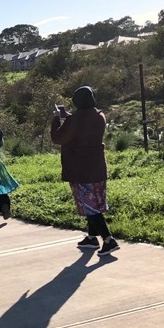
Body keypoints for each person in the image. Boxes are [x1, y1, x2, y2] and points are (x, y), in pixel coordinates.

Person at [51, 86, 119, 256]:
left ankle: (108, 239)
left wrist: (56, 120)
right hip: (97, 166)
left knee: (90, 206)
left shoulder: (74, 120)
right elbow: (83, 128)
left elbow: (59, 138)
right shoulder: (99, 115)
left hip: (80, 167)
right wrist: (69, 119)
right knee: (95, 202)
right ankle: (91, 237)